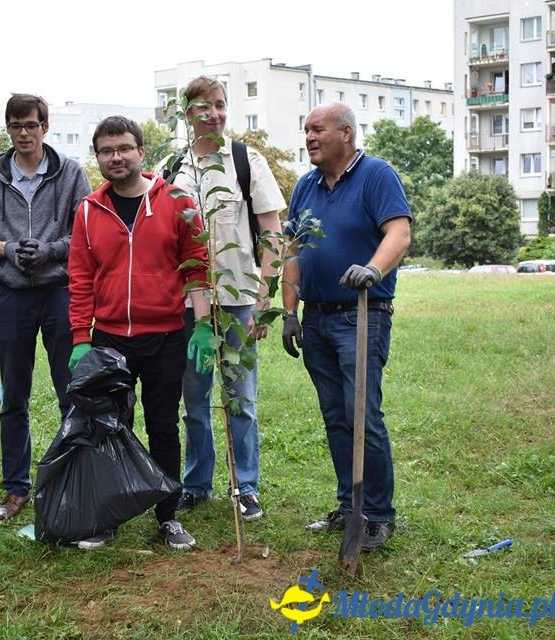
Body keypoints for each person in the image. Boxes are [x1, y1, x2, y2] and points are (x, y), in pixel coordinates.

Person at [67, 116, 214, 550]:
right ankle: (108, 517)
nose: (116, 157)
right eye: (107, 151)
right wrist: (80, 338)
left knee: (163, 426)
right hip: (110, 339)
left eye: (124, 148)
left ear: (140, 152)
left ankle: (168, 516)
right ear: (97, 157)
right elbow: (80, 276)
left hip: (166, 334)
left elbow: (197, 267)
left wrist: (203, 326)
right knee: (110, 428)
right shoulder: (89, 210)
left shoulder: (176, 202)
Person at [281, 102, 411, 551]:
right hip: (315, 318)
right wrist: (288, 313)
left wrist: (372, 269)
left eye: (317, 129)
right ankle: (348, 505)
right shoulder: (305, 186)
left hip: (362, 313)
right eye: (306, 130)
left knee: (363, 415)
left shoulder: (376, 175)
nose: (310, 137)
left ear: (347, 133)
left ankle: (377, 514)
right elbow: (293, 250)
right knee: (336, 417)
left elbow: (399, 233)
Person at [169, 76, 286, 521]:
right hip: (189, 302)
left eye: (220, 105)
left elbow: (272, 230)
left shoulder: (246, 160)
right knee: (194, 399)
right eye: (203, 107)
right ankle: (197, 483)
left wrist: (264, 295)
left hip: (238, 298)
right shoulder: (172, 167)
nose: (214, 114)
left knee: (241, 396)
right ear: (187, 114)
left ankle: (246, 487)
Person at [0, 94, 92, 521]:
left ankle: (69, 480)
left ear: (45, 127)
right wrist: (6, 249)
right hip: (12, 296)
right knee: (15, 396)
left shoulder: (70, 173)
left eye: (30, 125)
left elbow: (85, 232)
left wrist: (49, 251)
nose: (23, 133)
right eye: (15, 126)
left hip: (59, 292)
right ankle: (16, 488)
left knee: (70, 390)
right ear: (8, 128)